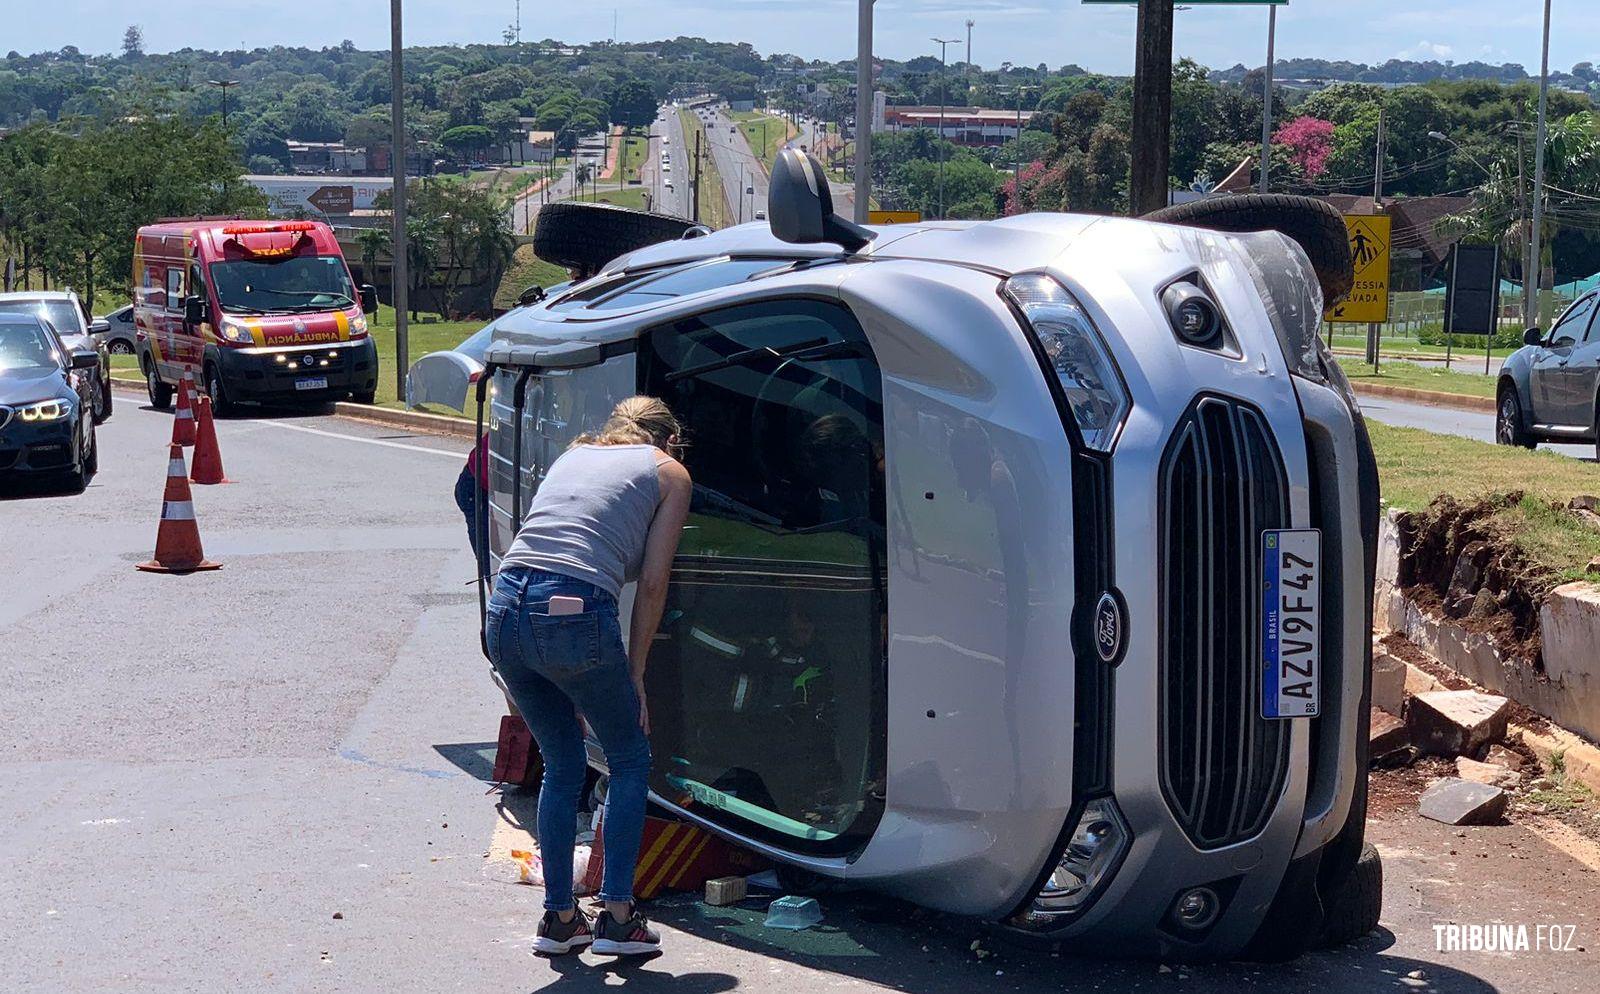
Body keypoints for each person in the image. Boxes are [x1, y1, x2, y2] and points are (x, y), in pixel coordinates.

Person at [485, 396, 692, 957]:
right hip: (573, 610)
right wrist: (637, 671)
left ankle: (558, 918)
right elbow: (652, 584)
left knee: (562, 761)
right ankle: (619, 919)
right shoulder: (670, 473)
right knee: (628, 758)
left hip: (506, 608)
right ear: (668, 440)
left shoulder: (577, 453)